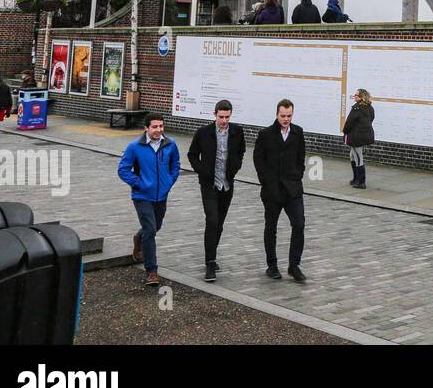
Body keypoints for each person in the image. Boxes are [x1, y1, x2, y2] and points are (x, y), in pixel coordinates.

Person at [116, 114, 181, 287]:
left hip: (162, 195)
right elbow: (123, 169)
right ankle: (152, 271)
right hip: (142, 196)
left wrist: (169, 181)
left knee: (155, 226)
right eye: (154, 127)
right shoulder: (135, 147)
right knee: (151, 230)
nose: (158, 130)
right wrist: (139, 184)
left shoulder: (170, 144)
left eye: (161, 126)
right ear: (146, 128)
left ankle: (139, 238)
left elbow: (175, 164)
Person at [187, 100, 247, 282]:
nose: (224, 120)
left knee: (219, 223)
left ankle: (212, 254)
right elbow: (192, 154)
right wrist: (203, 171)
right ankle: (210, 262)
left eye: (227, 117)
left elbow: (241, 152)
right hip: (209, 185)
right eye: (221, 117)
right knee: (212, 220)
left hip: (227, 185)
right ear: (215, 114)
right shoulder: (203, 133)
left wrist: (235, 168)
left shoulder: (237, 131)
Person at [253, 99, 306, 282]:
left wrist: (297, 175)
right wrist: (267, 183)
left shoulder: (298, 132)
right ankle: (272, 265)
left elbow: (301, 158)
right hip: (272, 191)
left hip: (293, 189)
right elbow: (258, 161)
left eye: (289, 116)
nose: (286, 119)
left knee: (299, 224)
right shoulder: (266, 134)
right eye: (283, 116)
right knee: (271, 228)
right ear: (277, 114)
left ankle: (294, 265)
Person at [343, 88, 375, 189]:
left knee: (358, 157)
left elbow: (349, 122)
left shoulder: (356, 108)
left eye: (356, 95)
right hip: (364, 135)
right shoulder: (370, 107)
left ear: (361, 97)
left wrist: (345, 131)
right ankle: (355, 178)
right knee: (352, 156)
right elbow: (372, 118)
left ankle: (361, 182)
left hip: (356, 136)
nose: (354, 96)